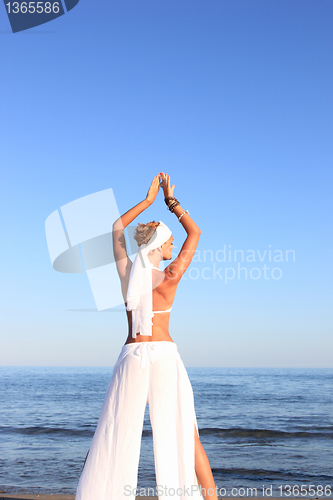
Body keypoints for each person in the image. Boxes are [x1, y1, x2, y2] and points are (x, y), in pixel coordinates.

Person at [75, 173, 218, 500]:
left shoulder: (127, 274)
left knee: (110, 432)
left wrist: (148, 200)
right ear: (160, 244)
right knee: (187, 435)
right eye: (168, 242)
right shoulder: (170, 276)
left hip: (132, 358)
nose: (171, 246)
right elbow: (195, 233)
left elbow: (115, 229)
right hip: (165, 357)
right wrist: (171, 202)